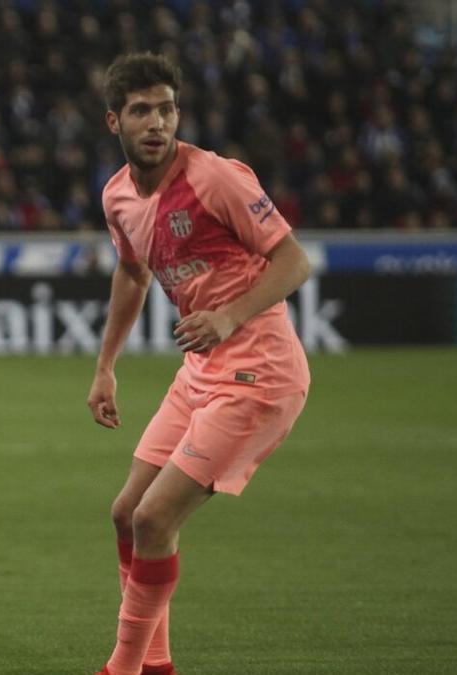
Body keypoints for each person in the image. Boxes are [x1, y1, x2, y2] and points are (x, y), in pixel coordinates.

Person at [87, 53, 311, 675]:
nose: (156, 122)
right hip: (202, 373)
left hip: (259, 372)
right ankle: (155, 665)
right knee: (127, 516)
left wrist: (230, 315)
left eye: (166, 109)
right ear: (114, 121)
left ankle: (123, 669)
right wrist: (106, 366)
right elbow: (132, 274)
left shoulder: (215, 178)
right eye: (140, 111)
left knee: (156, 517)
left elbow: (294, 261)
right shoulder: (117, 196)